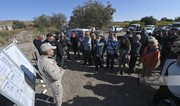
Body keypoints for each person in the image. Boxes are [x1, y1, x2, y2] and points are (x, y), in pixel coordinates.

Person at [152, 41, 180, 105]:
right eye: (172, 45)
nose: (171, 47)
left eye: (173, 46)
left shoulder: (176, 59)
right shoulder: (171, 54)